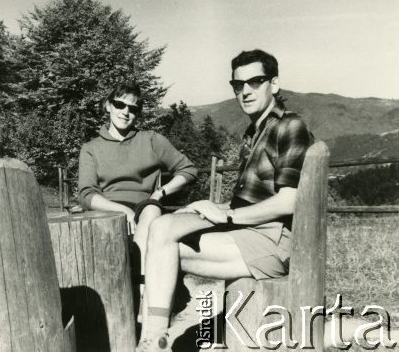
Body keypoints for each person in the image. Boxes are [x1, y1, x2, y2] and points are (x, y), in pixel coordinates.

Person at [137, 49, 314, 351]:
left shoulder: (289, 125)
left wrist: (226, 217)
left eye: (255, 82)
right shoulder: (254, 132)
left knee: (163, 252)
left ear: (274, 84)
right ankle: (152, 338)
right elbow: (246, 204)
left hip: (274, 241)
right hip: (249, 234)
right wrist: (210, 208)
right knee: (163, 227)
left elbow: (288, 202)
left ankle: (152, 340)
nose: (245, 91)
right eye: (238, 84)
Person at [78, 82, 198, 318]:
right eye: (119, 105)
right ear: (108, 106)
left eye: (133, 108)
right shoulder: (91, 148)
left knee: (152, 214)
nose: (125, 112)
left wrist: (159, 194)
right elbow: (86, 194)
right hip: (108, 208)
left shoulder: (151, 140)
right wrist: (121, 211)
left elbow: (188, 170)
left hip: (146, 205)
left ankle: (142, 295)